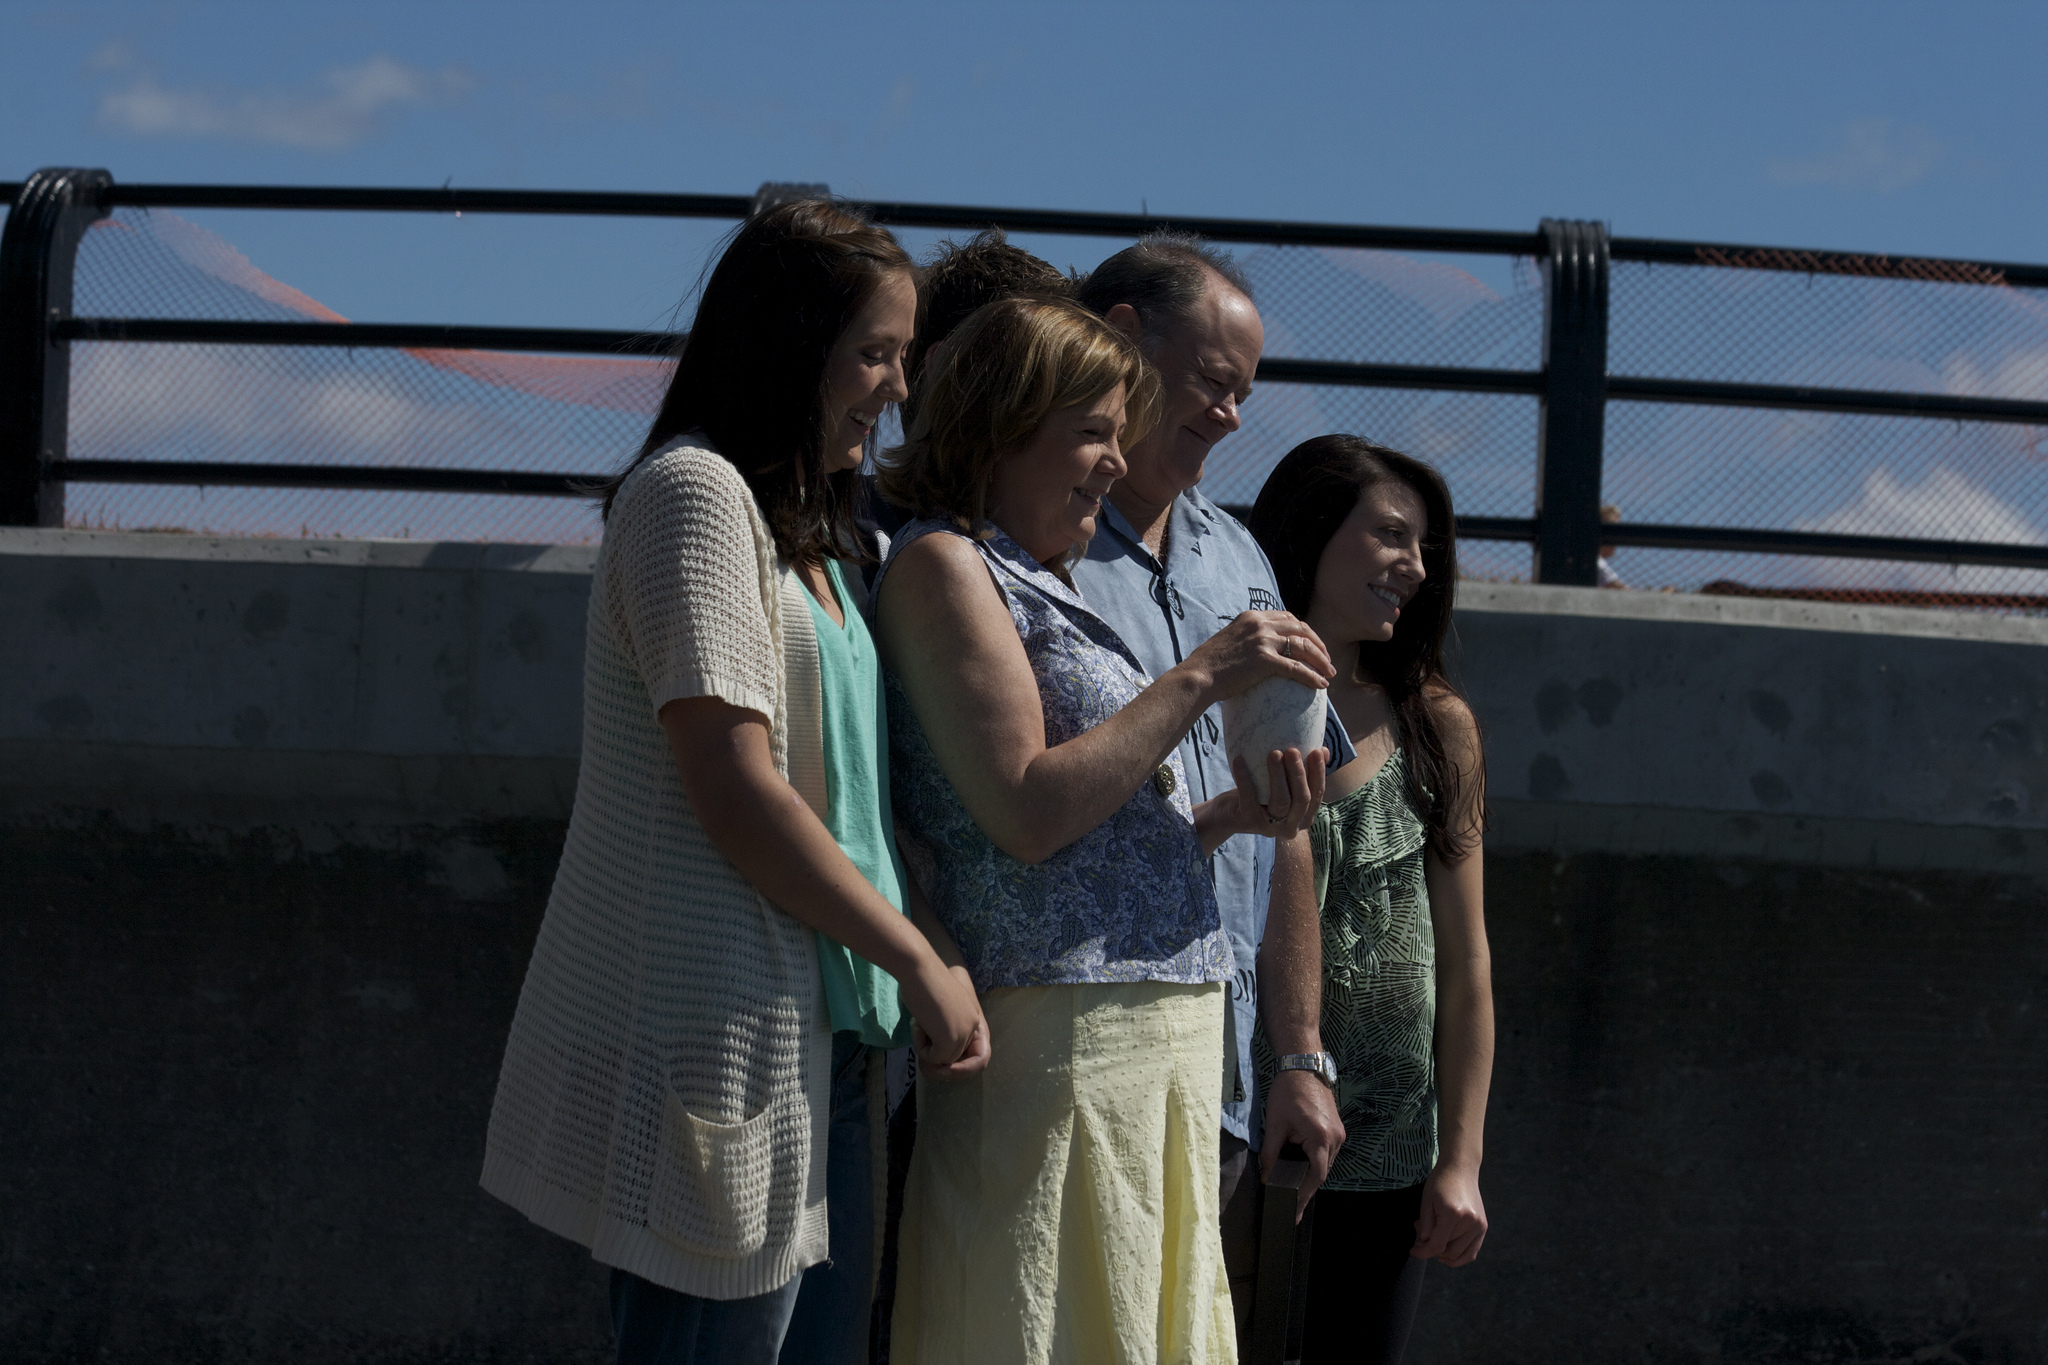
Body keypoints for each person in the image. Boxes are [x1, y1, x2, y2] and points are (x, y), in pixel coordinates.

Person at [479, 200, 987, 1365]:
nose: (896, 389)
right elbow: (735, 788)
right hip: (718, 1040)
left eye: (903, 357)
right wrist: (913, 953)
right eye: (872, 352)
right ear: (783, 344)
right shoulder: (695, 497)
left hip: (823, 1038)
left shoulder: (800, 529)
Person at [873, 295, 1334, 1364]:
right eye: (1091, 431)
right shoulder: (945, 564)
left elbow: (1089, 824)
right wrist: (1205, 670)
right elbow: (1027, 811)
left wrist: (1226, 820)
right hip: (1062, 1045)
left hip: (1145, 1044)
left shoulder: (1032, 571)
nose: (1112, 463)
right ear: (1000, 423)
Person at [1071, 233, 1350, 1343]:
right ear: (1121, 340)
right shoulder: (1024, 548)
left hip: (1222, 1082)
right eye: (1212, 384)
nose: (1231, 417)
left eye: (1244, 395)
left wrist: (1296, 1058)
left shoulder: (1237, 559)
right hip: (1089, 1058)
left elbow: (1287, 828)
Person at [1247, 435, 1495, 1365]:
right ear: (1312, 534)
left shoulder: (1439, 723)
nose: (1417, 567)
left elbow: (1467, 959)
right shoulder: (1235, 689)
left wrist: (1460, 1159)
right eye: (1392, 535)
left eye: (1425, 546)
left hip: (1394, 1150)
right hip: (1251, 1127)